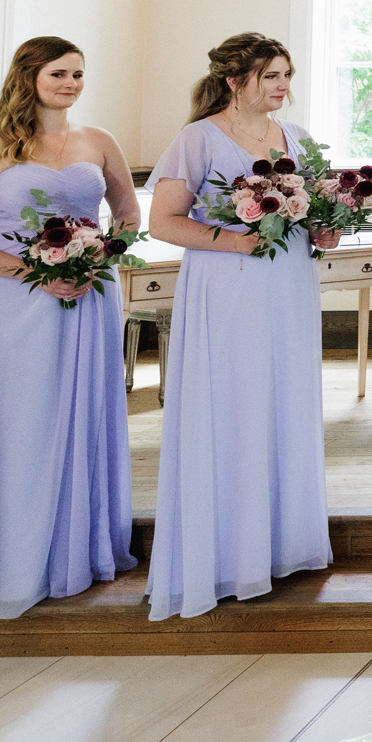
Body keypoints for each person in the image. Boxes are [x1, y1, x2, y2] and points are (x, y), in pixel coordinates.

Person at [0, 37, 140, 622]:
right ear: (29, 76)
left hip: (88, 297)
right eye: (59, 73)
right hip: (11, 305)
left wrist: (99, 256)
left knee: (81, 414)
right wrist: (35, 271)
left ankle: (75, 550)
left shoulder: (99, 142)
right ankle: (8, 556)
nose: (71, 83)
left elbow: (130, 214)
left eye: (79, 74)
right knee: (17, 420)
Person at [143, 33, 339, 618]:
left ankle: (281, 544)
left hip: (287, 288)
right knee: (233, 404)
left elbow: (311, 218)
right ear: (235, 81)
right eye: (273, 76)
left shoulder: (297, 141)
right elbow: (163, 222)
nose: (284, 86)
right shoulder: (198, 138)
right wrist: (235, 240)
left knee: (283, 400)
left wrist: (325, 232)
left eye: (287, 76)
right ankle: (228, 552)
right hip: (226, 289)